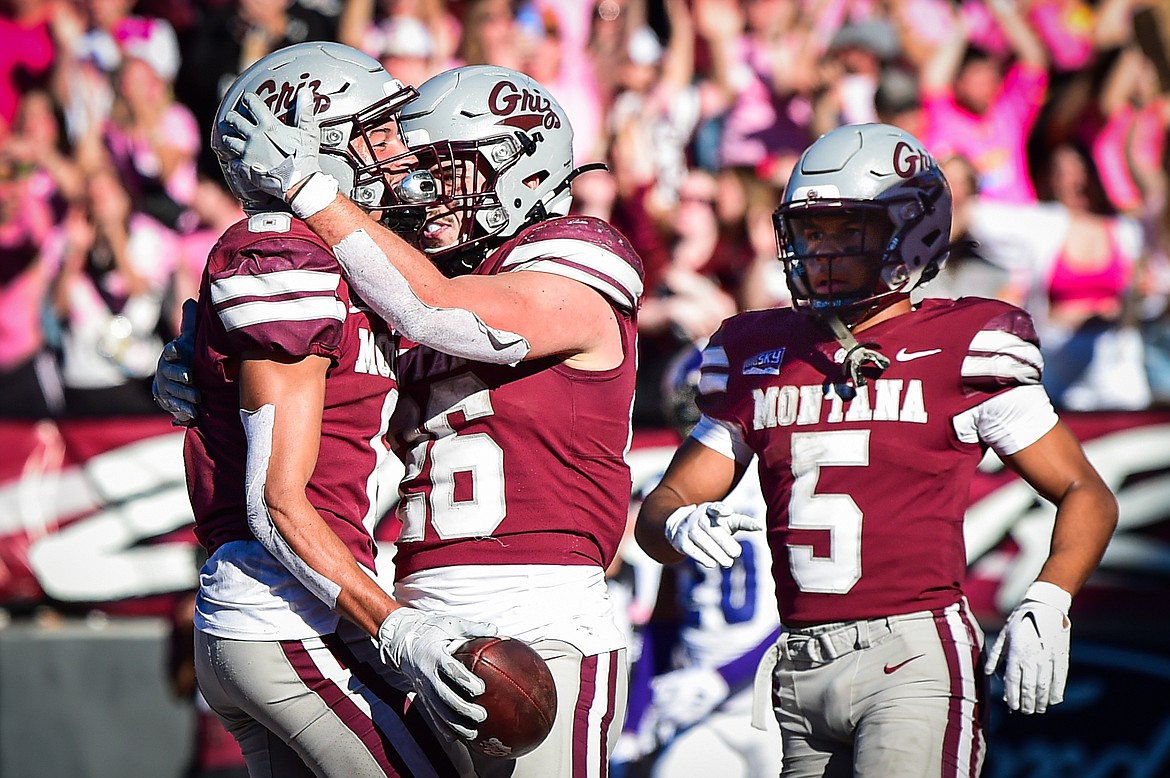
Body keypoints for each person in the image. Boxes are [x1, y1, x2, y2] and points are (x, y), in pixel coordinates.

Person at [167, 61, 645, 777]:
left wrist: (310, 189)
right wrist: (202, 362)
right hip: (419, 613)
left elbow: (441, 310)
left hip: (545, 620)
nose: (420, 192)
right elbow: (330, 384)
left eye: (448, 173)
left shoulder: (570, 257)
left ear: (518, 165)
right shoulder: (391, 279)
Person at [633, 123, 1118, 777]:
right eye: (811, 229)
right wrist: (680, 522)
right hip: (798, 663)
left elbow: (1085, 492)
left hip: (912, 655)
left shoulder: (964, 343)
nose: (820, 249)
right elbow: (666, 504)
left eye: (844, 229)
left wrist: (1050, 599)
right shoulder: (757, 352)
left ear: (910, 233)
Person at [179, 41, 499, 778]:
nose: (397, 151)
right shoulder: (283, 255)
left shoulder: (317, 260)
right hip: (289, 610)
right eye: (375, 132)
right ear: (309, 150)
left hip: (272, 609)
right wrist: (396, 627)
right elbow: (276, 503)